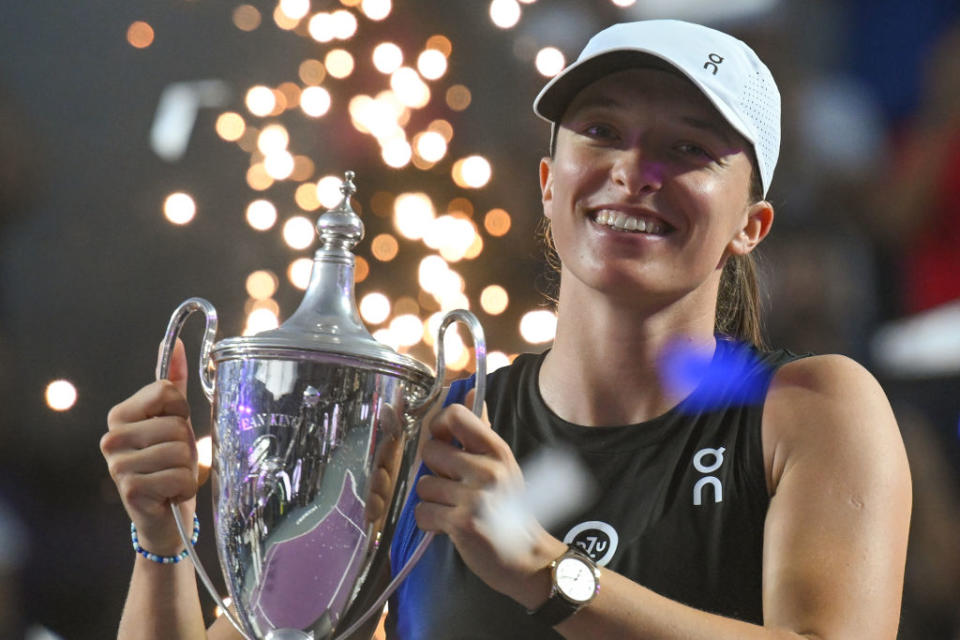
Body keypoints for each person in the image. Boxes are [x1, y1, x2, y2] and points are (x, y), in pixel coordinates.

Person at [100, 19, 911, 640]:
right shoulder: (424, 429)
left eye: (689, 148)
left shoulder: (812, 408)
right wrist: (161, 536)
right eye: (601, 132)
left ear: (752, 225)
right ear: (550, 185)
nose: (635, 170)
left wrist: (547, 570)